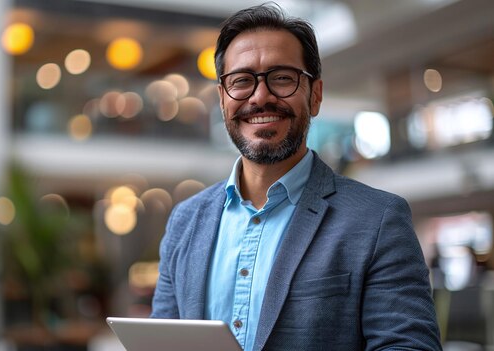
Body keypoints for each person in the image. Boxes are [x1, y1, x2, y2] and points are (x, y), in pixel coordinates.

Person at [150, 3, 442, 351]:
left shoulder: (378, 220)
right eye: (241, 81)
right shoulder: (185, 221)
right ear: (222, 99)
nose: (260, 97)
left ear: (315, 95)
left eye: (282, 78)